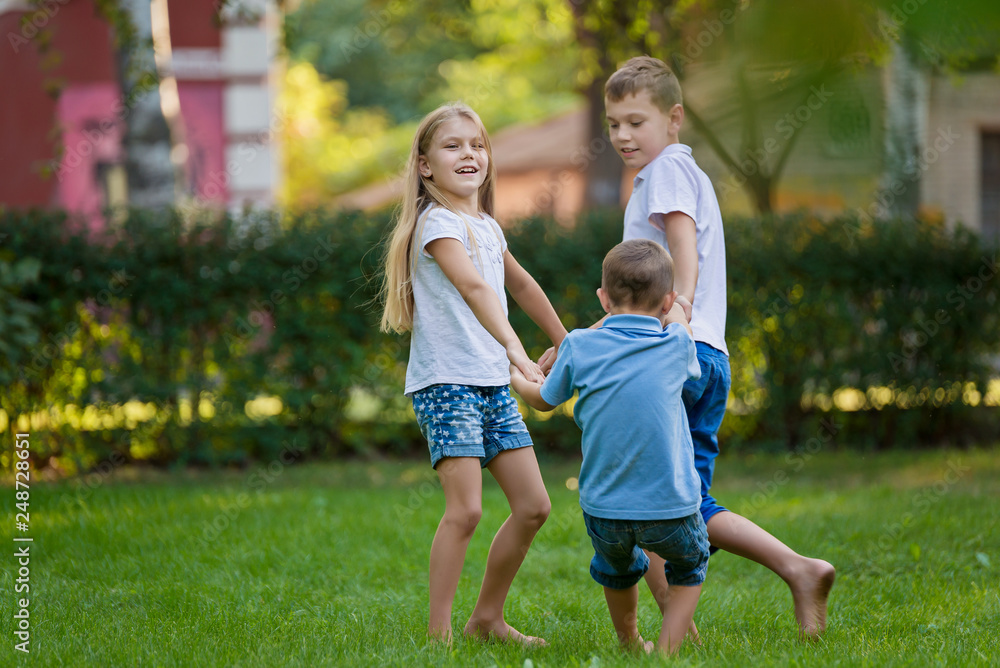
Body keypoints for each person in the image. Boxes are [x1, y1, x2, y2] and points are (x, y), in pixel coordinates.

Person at [598, 55, 835, 639]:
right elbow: (637, 290)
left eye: (635, 121)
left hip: (676, 356)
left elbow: (683, 244)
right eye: (613, 124)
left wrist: (677, 311)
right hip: (704, 355)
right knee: (680, 498)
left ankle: (792, 570)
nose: (623, 136)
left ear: (673, 118)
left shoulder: (668, 170)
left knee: (650, 498)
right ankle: (725, 609)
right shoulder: (676, 170)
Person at [379, 103, 566, 645]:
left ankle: (486, 619)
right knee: (465, 511)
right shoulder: (437, 226)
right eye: (453, 145)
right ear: (425, 165)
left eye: (477, 144)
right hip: (448, 385)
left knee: (534, 507)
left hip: (491, 385)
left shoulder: (486, 226)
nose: (469, 154)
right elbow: (476, 289)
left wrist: (563, 342)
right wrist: (517, 349)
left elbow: (522, 287)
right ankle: (439, 636)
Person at [511, 239, 709, 655]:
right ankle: (669, 652)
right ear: (667, 299)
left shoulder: (580, 346)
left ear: (603, 298)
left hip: (604, 508)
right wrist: (674, 308)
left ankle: (630, 642)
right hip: (670, 505)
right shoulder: (675, 345)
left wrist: (513, 372)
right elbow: (680, 325)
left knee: (617, 572)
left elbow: (543, 400)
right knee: (690, 566)